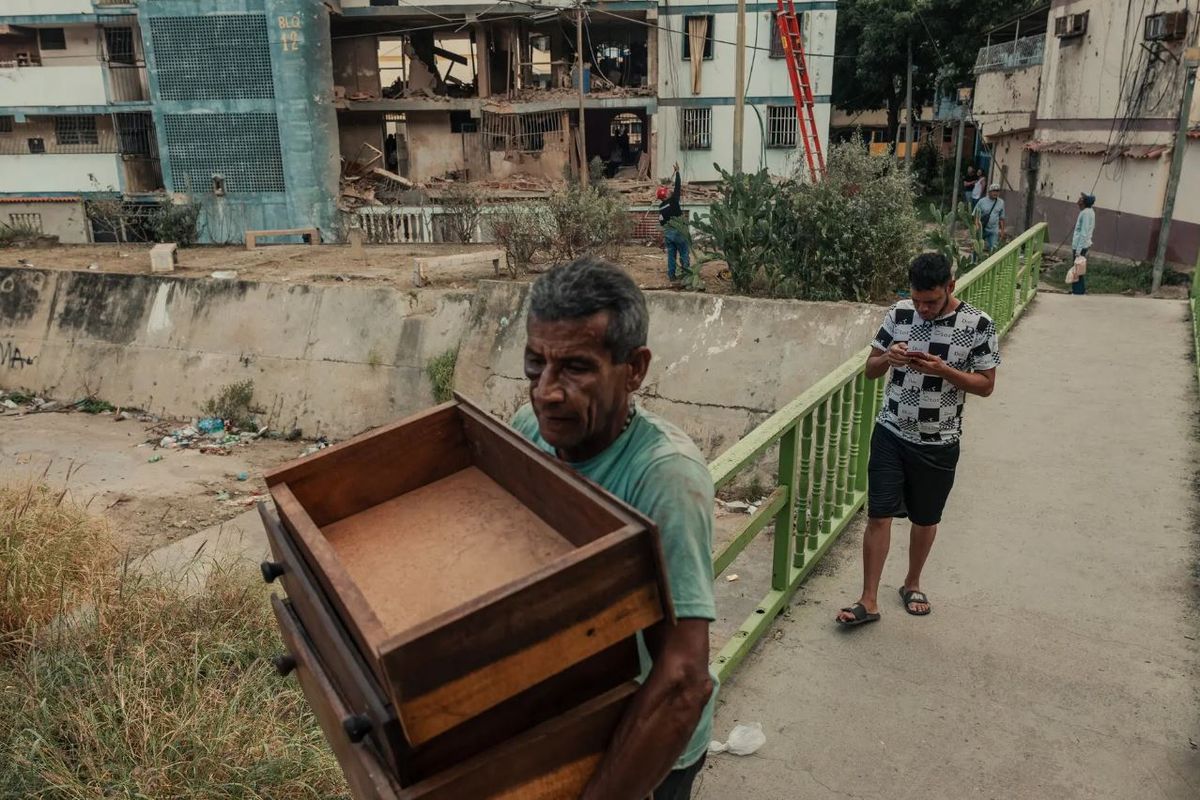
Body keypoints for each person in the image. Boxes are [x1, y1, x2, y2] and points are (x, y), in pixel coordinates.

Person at [511, 256, 717, 800]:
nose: (547, 392)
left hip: (644, 745)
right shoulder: (527, 429)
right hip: (569, 718)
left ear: (634, 368)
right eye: (536, 364)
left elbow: (683, 681)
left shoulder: (665, 479)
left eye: (575, 368)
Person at [836, 252, 1000, 626]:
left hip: (939, 441)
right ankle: (868, 600)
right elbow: (870, 370)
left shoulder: (978, 324)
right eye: (917, 300)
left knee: (925, 519)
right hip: (891, 432)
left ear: (950, 287)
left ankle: (912, 583)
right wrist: (889, 359)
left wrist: (945, 370)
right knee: (878, 515)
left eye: (931, 301)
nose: (923, 308)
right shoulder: (899, 313)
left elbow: (987, 386)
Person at [657, 163, 689, 283]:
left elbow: (661, 222)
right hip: (679, 231)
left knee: (671, 255)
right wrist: (678, 172)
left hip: (669, 233)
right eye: (667, 191)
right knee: (684, 252)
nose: (669, 191)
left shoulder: (661, 207)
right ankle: (686, 274)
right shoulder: (673, 201)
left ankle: (671, 275)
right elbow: (678, 187)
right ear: (666, 195)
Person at [1071, 192, 1096, 296]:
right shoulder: (1089, 211)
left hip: (1080, 245)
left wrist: (1078, 250)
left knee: (1078, 269)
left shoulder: (1085, 213)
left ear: (1084, 203)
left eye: (1080, 200)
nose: (1078, 201)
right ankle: (1079, 290)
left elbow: (1084, 232)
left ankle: (1078, 291)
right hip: (1082, 244)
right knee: (1079, 268)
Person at [973, 183, 1006, 252]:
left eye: (997, 191)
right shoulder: (982, 201)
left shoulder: (1001, 202)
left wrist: (1002, 230)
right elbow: (976, 214)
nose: (995, 193)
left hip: (994, 229)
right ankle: (974, 261)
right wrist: (977, 226)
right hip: (982, 228)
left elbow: (1002, 218)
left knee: (993, 248)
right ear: (989, 192)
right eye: (994, 191)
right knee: (977, 247)